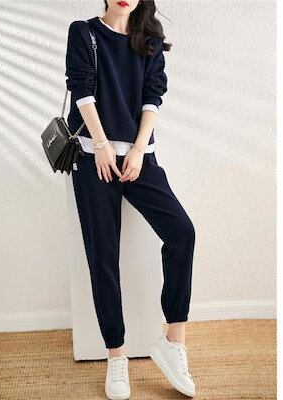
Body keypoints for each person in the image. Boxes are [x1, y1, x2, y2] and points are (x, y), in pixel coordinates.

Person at [65, 1, 196, 399]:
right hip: (93, 159)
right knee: (103, 255)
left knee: (182, 233)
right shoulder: (84, 32)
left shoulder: (149, 39)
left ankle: (173, 343)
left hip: (140, 159)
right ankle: (116, 356)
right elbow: (82, 91)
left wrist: (138, 149)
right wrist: (102, 145)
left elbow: (153, 97)